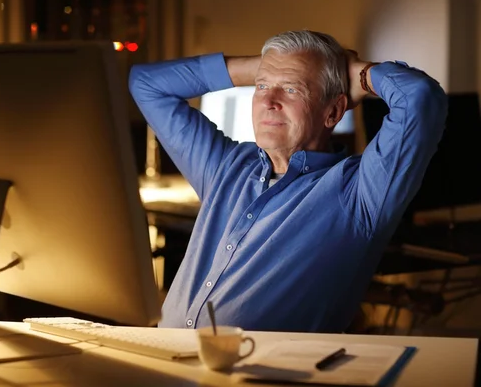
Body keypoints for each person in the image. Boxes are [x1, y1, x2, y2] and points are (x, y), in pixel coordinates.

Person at [129, 30, 447, 332]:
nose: (269, 101)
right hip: (165, 358)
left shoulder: (359, 193)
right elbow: (145, 83)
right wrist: (264, 67)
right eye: (262, 87)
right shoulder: (227, 166)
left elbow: (419, 97)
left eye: (292, 89)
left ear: (334, 112)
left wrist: (358, 73)